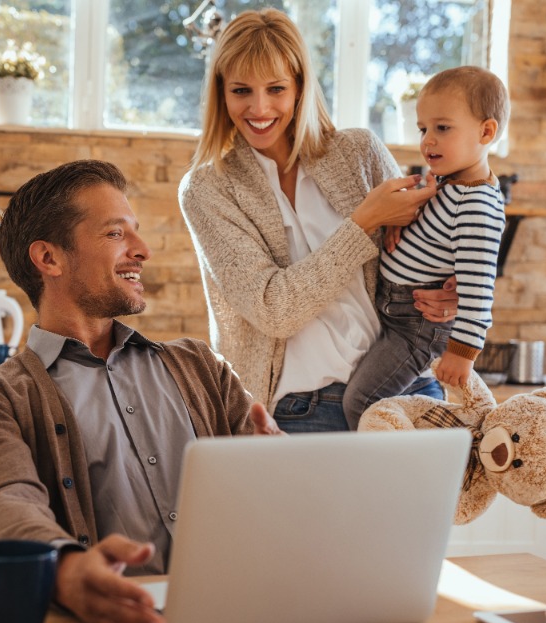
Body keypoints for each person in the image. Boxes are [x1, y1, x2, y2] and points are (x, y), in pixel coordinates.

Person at [0, 159, 281, 623]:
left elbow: (270, 481)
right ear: (49, 259)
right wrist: (65, 568)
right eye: (116, 233)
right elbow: (3, 502)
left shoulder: (201, 366)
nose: (141, 251)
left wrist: (281, 467)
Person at [178, 8, 460, 433]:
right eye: (241, 90)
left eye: (276, 88)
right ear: (221, 94)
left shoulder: (360, 152)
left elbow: (425, 253)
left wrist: (449, 294)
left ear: (300, 88)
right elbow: (274, 310)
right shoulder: (207, 190)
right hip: (306, 411)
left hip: (408, 390)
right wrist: (362, 222)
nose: (259, 107)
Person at [342, 66, 509, 429]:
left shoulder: (477, 205)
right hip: (395, 310)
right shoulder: (449, 185)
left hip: (415, 326)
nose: (428, 140)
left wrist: (461, 353)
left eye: (442, 128)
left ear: (486, 131)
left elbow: (479, 288)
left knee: (362, 401)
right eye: (423, 129)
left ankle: (399, 479)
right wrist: (394, 225)